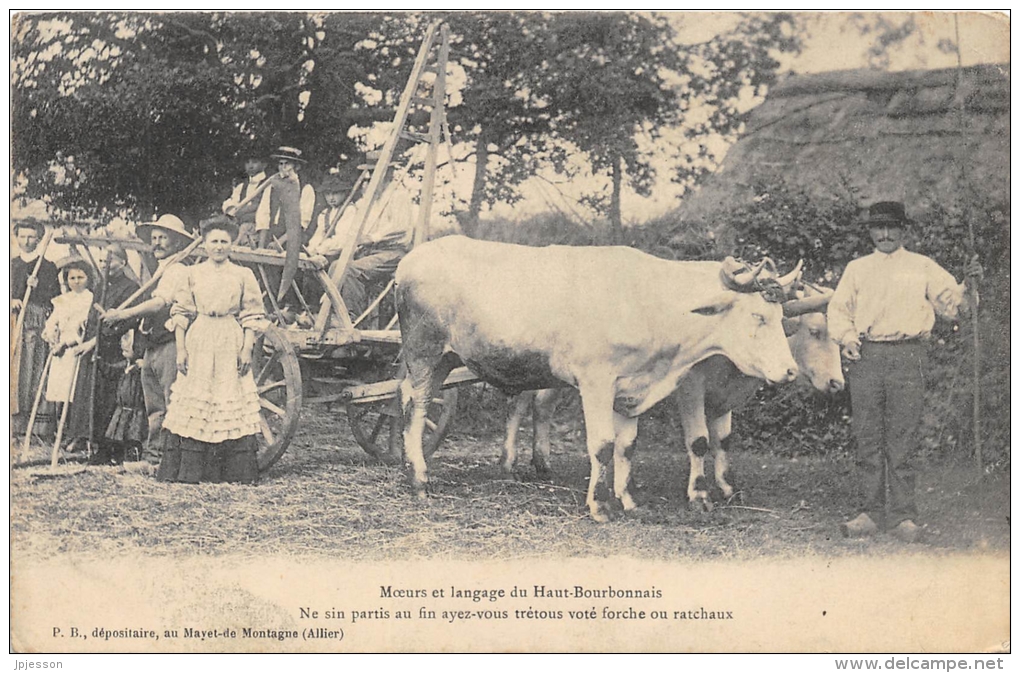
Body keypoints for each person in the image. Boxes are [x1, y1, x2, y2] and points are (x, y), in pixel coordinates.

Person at [828, 201, 983, 543]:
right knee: (867, 436)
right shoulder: (857, 269)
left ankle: (902, 516)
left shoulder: (922, 266)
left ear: (903, 230)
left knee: (902, 436)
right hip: (867, 356)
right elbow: (839, 311)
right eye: (878, 228)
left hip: (909, 356)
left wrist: (969, 286)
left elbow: (954, 306)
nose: (884, 234)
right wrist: (848, 339)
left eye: (891, 228)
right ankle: (869, 513)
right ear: (870, 232)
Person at [157, 220, 267, 484]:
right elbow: (182, 312)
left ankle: (233, 469)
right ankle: (192, 469)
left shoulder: (243, 275)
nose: (219, 247)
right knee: (197, 397)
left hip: (230, 335)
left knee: (228, 395)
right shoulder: (191, 274)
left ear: (232, 244)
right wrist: (181, 349)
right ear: (204, 244)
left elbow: (252, 313)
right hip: (200, 335)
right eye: (214, 241)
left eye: (224, 241)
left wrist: (247, 348)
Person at [103, 214, 195, 466]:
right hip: (153, 344)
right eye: (154, 238)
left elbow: (159, 303)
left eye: (163, 238)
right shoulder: (161, 270)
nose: (157, 243)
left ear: (176, 243)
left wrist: (124, 313)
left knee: (170, 401)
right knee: (154, 406)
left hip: (170, 343)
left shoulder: (178, 269)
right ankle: (155, 456)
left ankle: (173, 457)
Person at [66, 244, 141, 463]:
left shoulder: (130, 288)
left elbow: (124, 323)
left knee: (107, 397)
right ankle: (87, 439)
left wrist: (95, 341)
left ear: (123, 263)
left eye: (109, 261)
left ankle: (105, 446)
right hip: (92, 348)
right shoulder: (100, 286)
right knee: (88, 394)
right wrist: (86, 332)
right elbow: (93, 315)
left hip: (112, 350)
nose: (104, 266)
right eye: (100, 262)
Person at [308, 166, 414, 319]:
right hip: (370, 251)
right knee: (336, 266)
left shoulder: (398, 195)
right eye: (369, 175)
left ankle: (350, 317)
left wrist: (372, 237)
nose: (371, 179)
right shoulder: (370, 199)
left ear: (388, 173)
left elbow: (400, 227)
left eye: (376, 174)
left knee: (351, 270)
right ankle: (331, 314)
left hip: (393, 252)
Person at [11, 219, 61, 435]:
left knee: (32, 366)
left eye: (31, 236)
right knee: (14, 368)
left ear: (39, 238)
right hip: (13, 322)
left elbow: (55, 299)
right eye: (22, 236)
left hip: (35, 320)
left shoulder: (47, 266)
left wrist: (38, 288)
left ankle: (34, 423)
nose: (26, 240)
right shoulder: (11, 264)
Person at [42, 257, 95, 414]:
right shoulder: (63, 300)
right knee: (59, 389)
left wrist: (66, 344)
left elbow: (85, 329)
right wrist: (52, 337)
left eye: (80, 277)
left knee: (73, 390)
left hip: (76, 348)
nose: (76, 282)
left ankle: (70, 426)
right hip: (59, 350)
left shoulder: (90, 299)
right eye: (72, 278)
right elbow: (51, 322)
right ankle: (59, 427)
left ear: (88, 278)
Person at [256, 146, 316, 250]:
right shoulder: (271, 187)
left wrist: (279, 243)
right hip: (272, 236)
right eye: (280, 164)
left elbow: (301, 223)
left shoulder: (306, 188)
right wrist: (261, 247)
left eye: (287, 163)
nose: (283, 167)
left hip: (293, 239)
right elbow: (263, 215)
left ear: (297, 167)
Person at [104, 331, 149, 463]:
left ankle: (133, 456)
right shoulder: (125, 365)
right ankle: (117, 456)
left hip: (135, 408)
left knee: (133, 434)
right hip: (122, 407)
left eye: (127, 351)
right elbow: (110, 369)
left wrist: (143, 366)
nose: (124, 354)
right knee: (118, 433)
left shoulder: (139, 368)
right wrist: (100, 363)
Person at [214, 147, 270, 248]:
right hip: (239, 226)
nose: (250, 166)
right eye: (247, 163)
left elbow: (263, 211)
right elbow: (230, 206)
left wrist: (241, 211)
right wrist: (237, 211)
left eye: (255, 162)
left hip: (257, 229)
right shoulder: (241, 187)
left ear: (264, 164)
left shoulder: (268, 185)